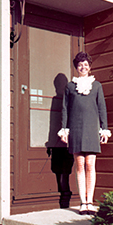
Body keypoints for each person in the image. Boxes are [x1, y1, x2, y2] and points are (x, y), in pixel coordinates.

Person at [58, 52, 111, 215]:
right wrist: (65, 129)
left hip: (91, 129)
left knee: (90, 164)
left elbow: (102, 108)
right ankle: (82, 202)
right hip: (76, 128)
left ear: (89, 66)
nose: (83, 67)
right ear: (77, 67)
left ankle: (90, 202)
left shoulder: (97, 86)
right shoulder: (69, 86)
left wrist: (104, 128)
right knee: (80, 164)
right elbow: (65, 109)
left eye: (86, 64)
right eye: (80, 64)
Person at [46, 74, 74, 209]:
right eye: (57, 84)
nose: (59, 87)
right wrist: (50, 142)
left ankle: (65, 197)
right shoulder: (55, 99)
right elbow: (52, 122)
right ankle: (62, 195)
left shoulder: (70, 98)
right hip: (56, 141)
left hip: (68, 140)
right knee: (57, 170)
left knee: (65, 171)